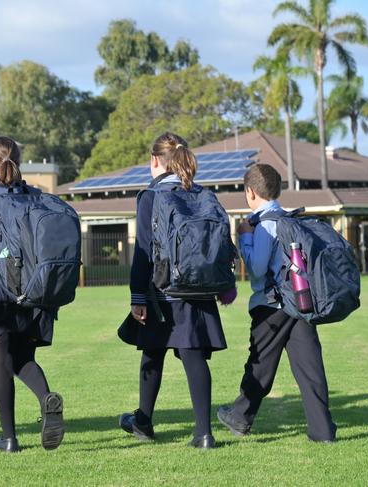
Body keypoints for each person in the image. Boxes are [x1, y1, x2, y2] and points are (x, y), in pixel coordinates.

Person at [118, 132, 228, 449]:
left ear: (155, 161)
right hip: (200, 290)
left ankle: (144, 420)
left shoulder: (151, 197)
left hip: (162, 291)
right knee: (194, 358)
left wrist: (138, 297)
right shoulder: (203, 194)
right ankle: (204, 433)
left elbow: (142, 252)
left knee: (153, 353)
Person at [0, 136, 64, 453]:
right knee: (23, 357)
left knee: (1, 362)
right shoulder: (37, 196)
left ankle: (8, 438)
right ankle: (47, 399)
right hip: (33, 292)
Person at [217, 164, 336, 442]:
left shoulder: (264, 223)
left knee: (260, 365)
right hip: (300, 301)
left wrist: (245, 237)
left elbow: (258, 268)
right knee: (310, 368)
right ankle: (323, 430)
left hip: (271, 305)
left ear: (250, 192)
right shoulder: (289, 217)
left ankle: (239, 416)